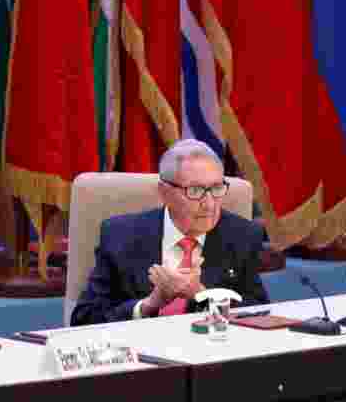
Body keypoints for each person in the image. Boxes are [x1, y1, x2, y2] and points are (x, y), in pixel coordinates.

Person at [71, 139, 269, 325]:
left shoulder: (243, 236)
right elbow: (84, 319)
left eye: (217, 188)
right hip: (142, 353)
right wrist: (148, 305)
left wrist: (202, 294)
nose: (209, 204)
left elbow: (259, 313)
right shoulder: (119, 237)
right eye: (195, 191)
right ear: (164, 193)